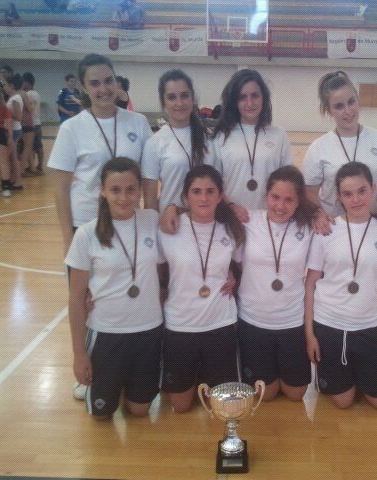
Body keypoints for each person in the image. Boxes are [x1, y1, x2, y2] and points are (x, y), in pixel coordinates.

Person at [48, 53, 152, 400]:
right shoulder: (71, 128)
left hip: (127, 219)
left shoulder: (137, 123)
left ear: (117, 82)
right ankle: (85, 368)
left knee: (119, 296)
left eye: (109, 80)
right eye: (95, 82)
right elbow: (61, 186)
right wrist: (67, 234)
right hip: (87, 223)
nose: (104, 88)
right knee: (87, 300)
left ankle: (131, 363)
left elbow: (149, 178)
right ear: (83, 86)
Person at [65, 157, 164, 418]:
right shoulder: (87, 234)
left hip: (149, 330)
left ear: (140, 190)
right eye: (115, 190)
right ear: (102, 190)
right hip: (107, 332)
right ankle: (109, 381)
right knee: (101, 415)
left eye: (131, 189)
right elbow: (76, 299)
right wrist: (79, 354)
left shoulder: (152, 220)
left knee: (140, 410)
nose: (123, 197)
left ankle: (120, 382)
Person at [304, 162, 377, 410]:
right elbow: (310, 285)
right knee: (343, 401)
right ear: (339, 197)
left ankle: (359, 371)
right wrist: (310, 335)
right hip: (329, 325)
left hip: (368, 326)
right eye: (347, 194)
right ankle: (348, 375)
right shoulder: (325, 230)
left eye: (362, 191)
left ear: (373, 188)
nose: (356, 199)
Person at [157, 165, 244, 413]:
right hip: (180, 325)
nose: (203, 198)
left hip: (221, 324)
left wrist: (234, 277)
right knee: (181, 407)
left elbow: (239, 266)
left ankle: (206, 374)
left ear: (220, 195)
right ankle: (197, 375)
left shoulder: (231, 229)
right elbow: (157, 275)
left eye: (210, 191)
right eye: (196, 191)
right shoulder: (169, 228)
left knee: (224, 406)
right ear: (186, 196)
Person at [234, 166, 317, 401]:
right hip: (253, 320)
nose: (280, 206)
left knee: (296, 393)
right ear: (266, 195)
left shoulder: (309, 227)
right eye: (275, 197)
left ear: (298, 201)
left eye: (289, 200)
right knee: (265, 394)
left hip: (291, 321)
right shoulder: (248, 222)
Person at [303, 71, 377, 235]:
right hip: (333, 229)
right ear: (328, 110)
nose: (347, 111)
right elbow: (309, 193)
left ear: (357, 99)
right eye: (339, 106)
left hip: (370, 227)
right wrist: (318, 214)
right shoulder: (318, 148)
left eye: (351, 102)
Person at [211, 69, 292, 223]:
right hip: (231, 219)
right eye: (242, 97)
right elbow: (213, 183)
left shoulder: (279, 135)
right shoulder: (220, 137)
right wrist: (230, 206)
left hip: (268, 220)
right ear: (234, 101)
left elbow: (287, 182)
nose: (250, 103)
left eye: (255, 95)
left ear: (264, 97)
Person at [143, 69, 215, 228]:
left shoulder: (209, 138)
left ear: (192, 98)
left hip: (207, 222)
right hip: (172, 225)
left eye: (184, 95)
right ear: (164, 102)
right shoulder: (154, 143)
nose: (179, 103)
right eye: (172, 97)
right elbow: (149, 203)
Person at [3, 74, 25, 190]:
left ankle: (16, 180)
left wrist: (4, 113)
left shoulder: (15, 99)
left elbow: (18, 117)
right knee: (13, 157)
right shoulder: (13, 98)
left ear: (11, 86)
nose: (4, 87)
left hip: (14, 130)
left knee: (10, 157)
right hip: (13, 129)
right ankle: (15, 180)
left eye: (5, 85)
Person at [22, 72, 44, 175]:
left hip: (32, 123)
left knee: (30, 147)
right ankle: (39, 165)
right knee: (38, 146)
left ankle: (32, 167)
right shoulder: (36, 93)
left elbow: (29, 109)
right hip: (38, 122)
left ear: (27, 82)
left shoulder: (28, 94)